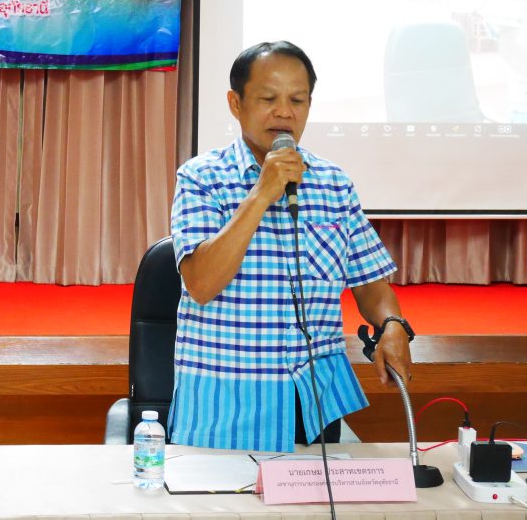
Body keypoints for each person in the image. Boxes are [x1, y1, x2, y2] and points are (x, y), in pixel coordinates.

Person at [168, 41, 413, 452]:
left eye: (297, 100)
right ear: (235, 103)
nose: (284, 112)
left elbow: (371, 285)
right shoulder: (201, 178)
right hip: (227, 404)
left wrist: (392, 325)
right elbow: (201, 284)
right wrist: (261, 194)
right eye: (268, 99)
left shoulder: (334, 184)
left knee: (317, 497)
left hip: (311, 402)